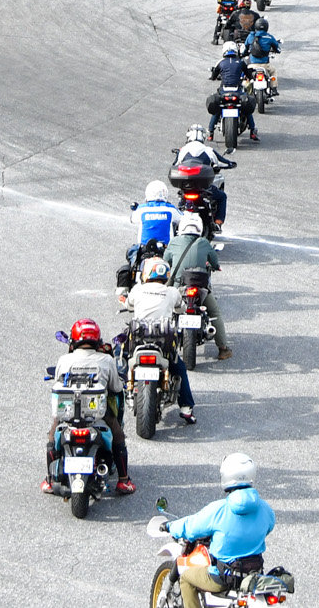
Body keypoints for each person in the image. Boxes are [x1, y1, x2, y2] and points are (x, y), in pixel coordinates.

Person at [156, 454, 275, 608]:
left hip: (223, 578)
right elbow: (268, 527)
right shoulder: (265, 509)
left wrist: (170, 526)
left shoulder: (219, 510)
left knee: (186, 578)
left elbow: (191, 527)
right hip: (254, 575)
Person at [42, 318, 135, 496]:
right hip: (97, 413)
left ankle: (49, 480)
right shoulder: (106, 360)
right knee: (118, 435)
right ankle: (123, 481)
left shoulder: (64, 359)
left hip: (67, 412)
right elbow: (116, 388)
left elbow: (57, 382)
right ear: (97, 340)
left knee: (52, 436)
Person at [120, 257, 195, 424]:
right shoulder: (172, 292)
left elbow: (129, 306)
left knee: (120, 357)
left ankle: (121, 389)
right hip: (164, 343)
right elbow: (181, 308)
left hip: (138, 340)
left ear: (146, 273)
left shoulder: (138, 290)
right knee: (179, 368)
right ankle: (186, 408)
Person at [164, 214, 231, 360]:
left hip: (178, 287)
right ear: (199, 228)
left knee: (166, 311)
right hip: (200, 288)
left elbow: (165, 261)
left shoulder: (174, 242)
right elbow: (214, 261)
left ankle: (161, 344)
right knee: (214, 313)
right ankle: (223, 349)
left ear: (181, 228)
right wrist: (216, 266)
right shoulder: (204, 242)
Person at [175, 126, 234, 229]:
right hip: (203, 187)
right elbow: (222, 162)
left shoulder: (183, 150)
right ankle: (218, 222)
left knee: (181, 199)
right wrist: (230, 164)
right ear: (203, 137)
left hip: (186, 186)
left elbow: (175, 164)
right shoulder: (208, 150)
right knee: (222, 197)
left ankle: (178, 218)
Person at [207, 42, 256, 141]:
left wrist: (213, 77)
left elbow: (213, 76)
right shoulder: (241, 62)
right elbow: (249, 75)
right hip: (237, 91)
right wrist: (250, 77)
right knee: (246, 108)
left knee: (217, 108)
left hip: (224, 91)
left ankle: (211, 133)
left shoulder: (220, 62)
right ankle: (252, 131)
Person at [133, 180, 178, 250]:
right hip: (165, 249)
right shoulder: (171, 209)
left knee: (132, 253)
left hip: (144, 249)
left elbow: (132, 219)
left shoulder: (141, 209)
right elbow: (182, 218)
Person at [242, 20, 280, 99]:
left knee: (245, 76)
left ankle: (245, 89)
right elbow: (277, 48)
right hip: (265, 65)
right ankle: (273, 88)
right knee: (273, 71)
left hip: (252, 65)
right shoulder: (269, 37)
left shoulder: (251, 36)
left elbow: (245, 47)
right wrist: (276, 50)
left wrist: (244, 53)